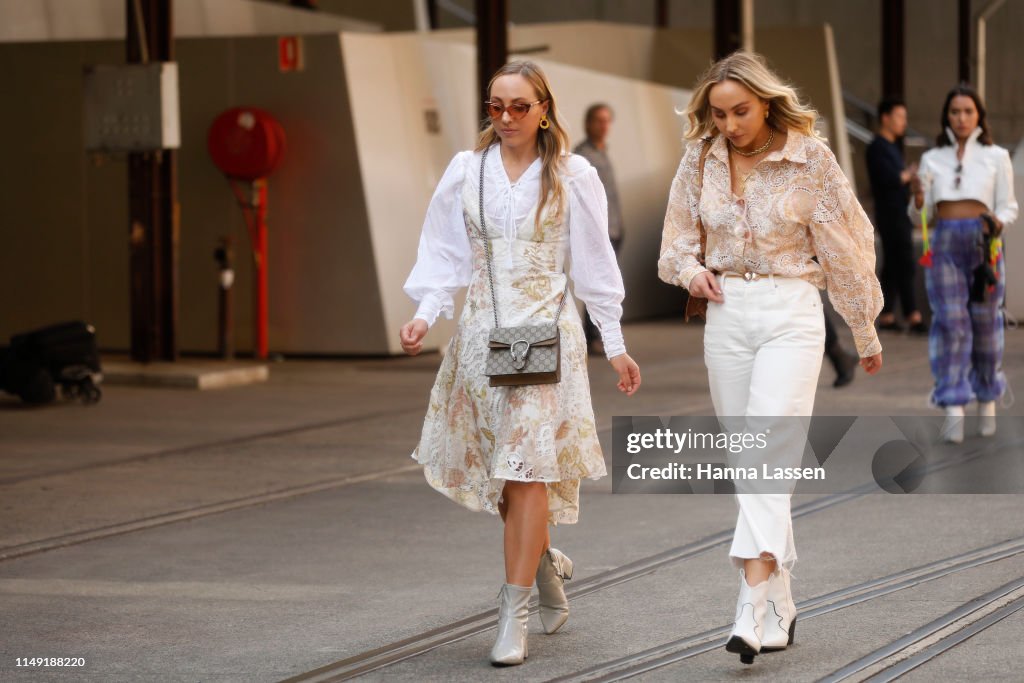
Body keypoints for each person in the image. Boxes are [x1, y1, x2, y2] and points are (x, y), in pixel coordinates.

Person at [399, 60, 642, 667]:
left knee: (525, 467)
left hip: (545, 342)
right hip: (481, 338)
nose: (506, 118)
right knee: (506, 473)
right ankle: (546, 568)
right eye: (496, 106)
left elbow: (593, 266)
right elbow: (445, 255)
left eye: (519, 107)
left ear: (544, 109)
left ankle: (513, 613)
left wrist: (613, 342)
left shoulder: (571, 173)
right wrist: (425, 316)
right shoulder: (466, 171)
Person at [658, 51, 883, 665]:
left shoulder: (810, 158)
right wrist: (691, 272)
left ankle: (749, 602)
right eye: (718, 113)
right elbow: (674, 238)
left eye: (740, 111)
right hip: (727, 316)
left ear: (766, 102)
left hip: (791, 314)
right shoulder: (700, 158)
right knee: (754, 463)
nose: (729, 125)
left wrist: (863, 328)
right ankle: (782, 598)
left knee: (766, 453)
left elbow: (847, 243)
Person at [910, 84, 1017, 443]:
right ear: (947, 116)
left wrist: (998, 222)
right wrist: (918, 199)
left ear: (979, 116)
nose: (961, 118)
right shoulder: (931, 159)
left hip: (984, 242)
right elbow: (919, 216)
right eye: (955, 112)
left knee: (986, 325)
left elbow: (1009, 206)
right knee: (951, 322)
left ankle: (987, 396)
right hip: (943, 243)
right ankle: (953, 403)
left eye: (968, 111)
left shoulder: (996, 155)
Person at [867, 97, 926, 333]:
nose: (903, 122)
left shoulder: (892, 147)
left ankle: (888, 316)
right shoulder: (876, 147)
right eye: (900, 117)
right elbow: (887, 179)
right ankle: (913, 316)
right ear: (886, 117)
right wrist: (907, 174)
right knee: (905, 263)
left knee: (892, 265)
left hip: (900, 212)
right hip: (889, 214)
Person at [574, 104, 626, 355]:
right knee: (595, 282)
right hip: (597, 232)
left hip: (615, 227)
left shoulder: (604, 152)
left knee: (608, 281)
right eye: (598, 120)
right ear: (587, 123)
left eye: (607, 121)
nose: (603, 126)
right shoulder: (582, 156)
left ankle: (603, 334)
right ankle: (592, 336)